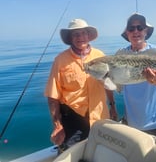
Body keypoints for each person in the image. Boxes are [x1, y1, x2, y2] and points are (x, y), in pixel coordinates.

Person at [44, 18, 117, 153]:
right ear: (70, 38)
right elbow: (52, 96)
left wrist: (112, 106)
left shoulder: (100, 56)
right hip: (73, 121)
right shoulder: (60, 60)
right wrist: (57, 125)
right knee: (71, 155)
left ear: (89, 35)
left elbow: (108, 83)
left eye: (83, 33)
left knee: (101, 153)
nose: (80, 37)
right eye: (75, 34)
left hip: (100, 116)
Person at [119, 13, 156, 142]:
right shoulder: (120, 55)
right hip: (132, 123)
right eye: (131, 28)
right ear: (127, 33)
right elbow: (118, 85)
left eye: (140, 27)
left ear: (146, 31)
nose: (135, 31)